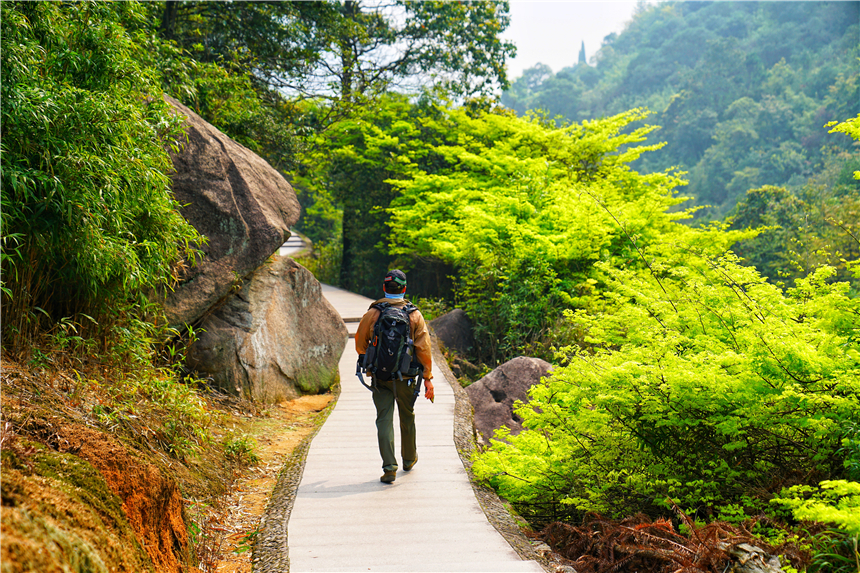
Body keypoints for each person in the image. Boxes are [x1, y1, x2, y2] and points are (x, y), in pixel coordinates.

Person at [356, 269, 435, 483]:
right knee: (407, 416)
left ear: (384, 288)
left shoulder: (374, 313)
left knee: (384, 419)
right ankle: (409, 459)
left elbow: (360, 343)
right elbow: (424, 349)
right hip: (406, 378)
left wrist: (372, 360)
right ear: (404, 289)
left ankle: (389, 467)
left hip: (380, 377)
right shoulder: (414, 315)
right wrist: (427, 378)